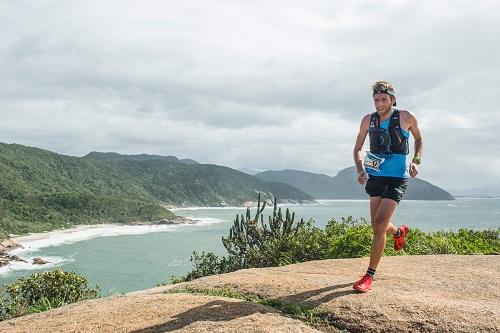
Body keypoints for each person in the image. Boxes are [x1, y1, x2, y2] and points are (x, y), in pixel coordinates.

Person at [352, 80, 423, 292]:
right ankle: (399, 232)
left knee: (380, 223)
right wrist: (359, 170)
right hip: (375, 177)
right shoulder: (368, 120)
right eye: (376, 100)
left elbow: (419, 140)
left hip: (397, 178)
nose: (379, 104)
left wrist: (416, 161)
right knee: (377, 226)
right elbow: (356, 149)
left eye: (383, 99)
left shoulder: (405, 117)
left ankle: (369, 276)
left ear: (392, 99)